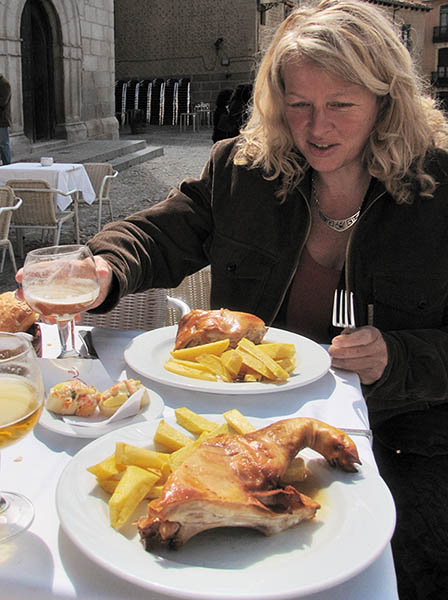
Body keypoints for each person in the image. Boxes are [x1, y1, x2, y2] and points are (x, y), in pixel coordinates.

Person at [18, 1, 448, 596]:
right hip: (237, 432)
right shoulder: (243, 171)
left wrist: (397, 357)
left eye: (341, 106)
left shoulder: (438, 192)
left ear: (386, 101)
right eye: (298, 105)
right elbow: (158, 232)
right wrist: (102, 267)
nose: (316, 128)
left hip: (407, 438)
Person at [0, 73, 11, 165]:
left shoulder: (4, 83)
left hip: (1, 119)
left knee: (4, 143)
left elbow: (3, 101)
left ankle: (7, 164)